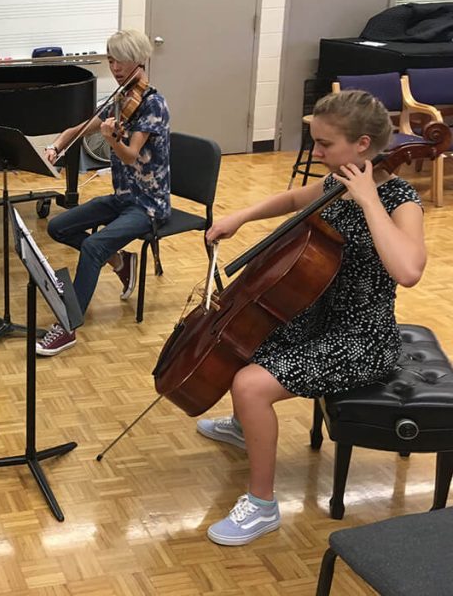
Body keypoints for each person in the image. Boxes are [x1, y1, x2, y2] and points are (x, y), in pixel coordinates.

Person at [196, 89, 425, 546]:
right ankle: (246, 427)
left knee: (250, 384)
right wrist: (239, 217)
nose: (315, 153)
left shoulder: (400, 200)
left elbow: (409, 270)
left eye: (325, 144)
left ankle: (262, 506)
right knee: (243, 339)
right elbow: (290, 200)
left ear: (362, 144)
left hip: (363, 339)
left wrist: (369, 201)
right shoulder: (333, 183)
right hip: (319, 317)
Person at [38, 29, 170, 356]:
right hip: (124, 197)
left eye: (121, 59)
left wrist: (112, 140)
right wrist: (57, 145)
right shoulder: (120, 99)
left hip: (148, 205)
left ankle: (68, 326)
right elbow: (82, 127)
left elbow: (130, 154)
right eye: (111, 59)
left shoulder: (153, 104)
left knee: (93, 246)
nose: (115, 66)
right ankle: (120, 260)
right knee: (57, 226)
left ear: (139, 58)